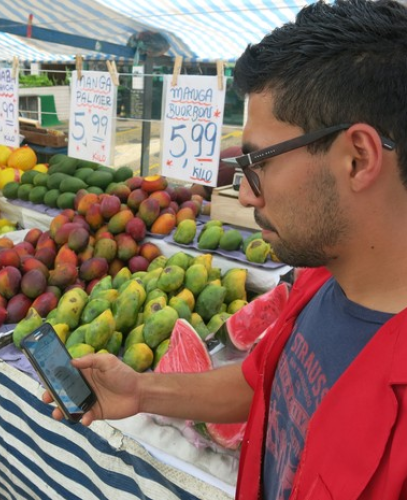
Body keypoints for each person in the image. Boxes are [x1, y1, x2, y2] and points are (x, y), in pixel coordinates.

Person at [43, 0, 407, 498]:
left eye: (259, 161)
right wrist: (142, 390)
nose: (249, 193)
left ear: (357, 158)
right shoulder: (322, 276)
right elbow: (264, 384)